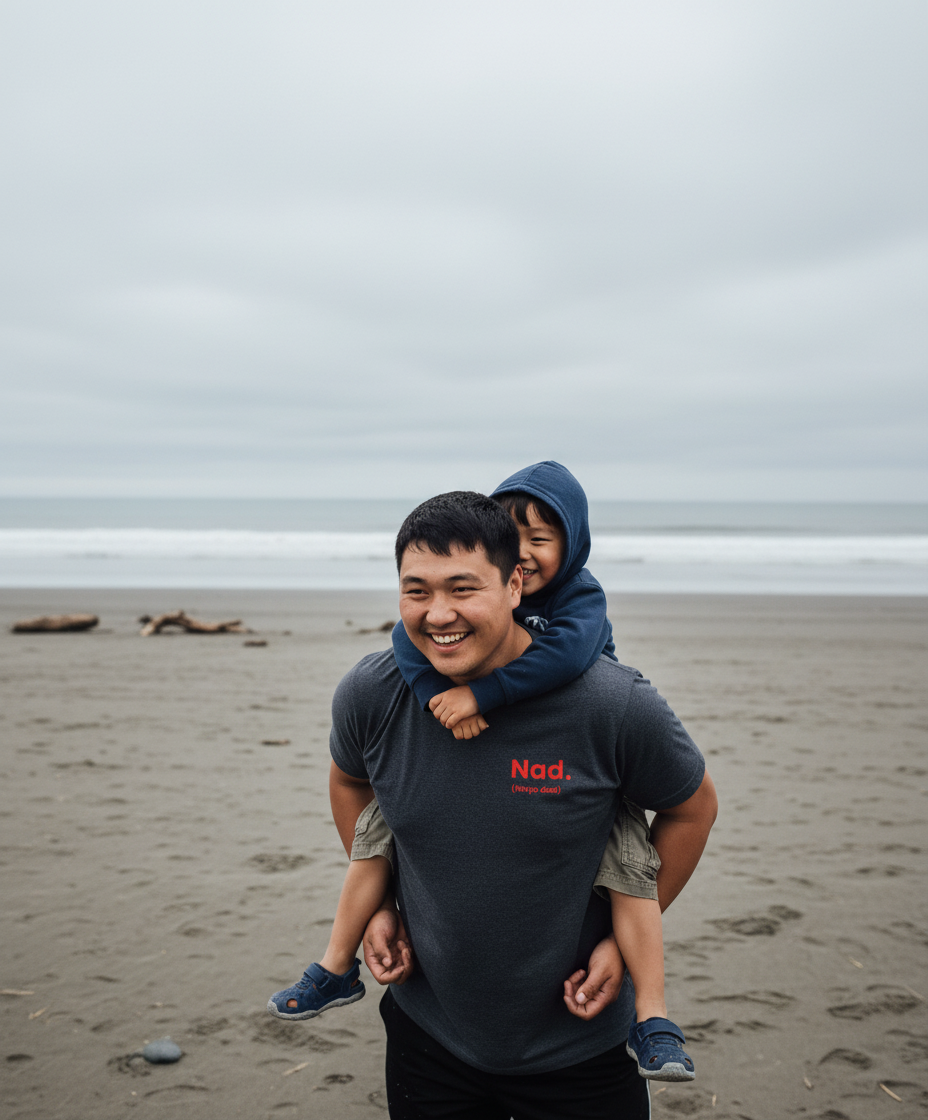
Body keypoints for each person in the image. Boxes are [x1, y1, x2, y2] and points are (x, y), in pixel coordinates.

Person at [278, 491, 717, 1117]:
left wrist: (620, 949)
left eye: (463, 588)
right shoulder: (372, 694)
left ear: (516, 583)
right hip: (427, 1037)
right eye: (416, 591)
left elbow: (693, 808)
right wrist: (377, 905)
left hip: (581, 1050)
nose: (438, 614)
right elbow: (350, 782)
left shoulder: (610, 704)